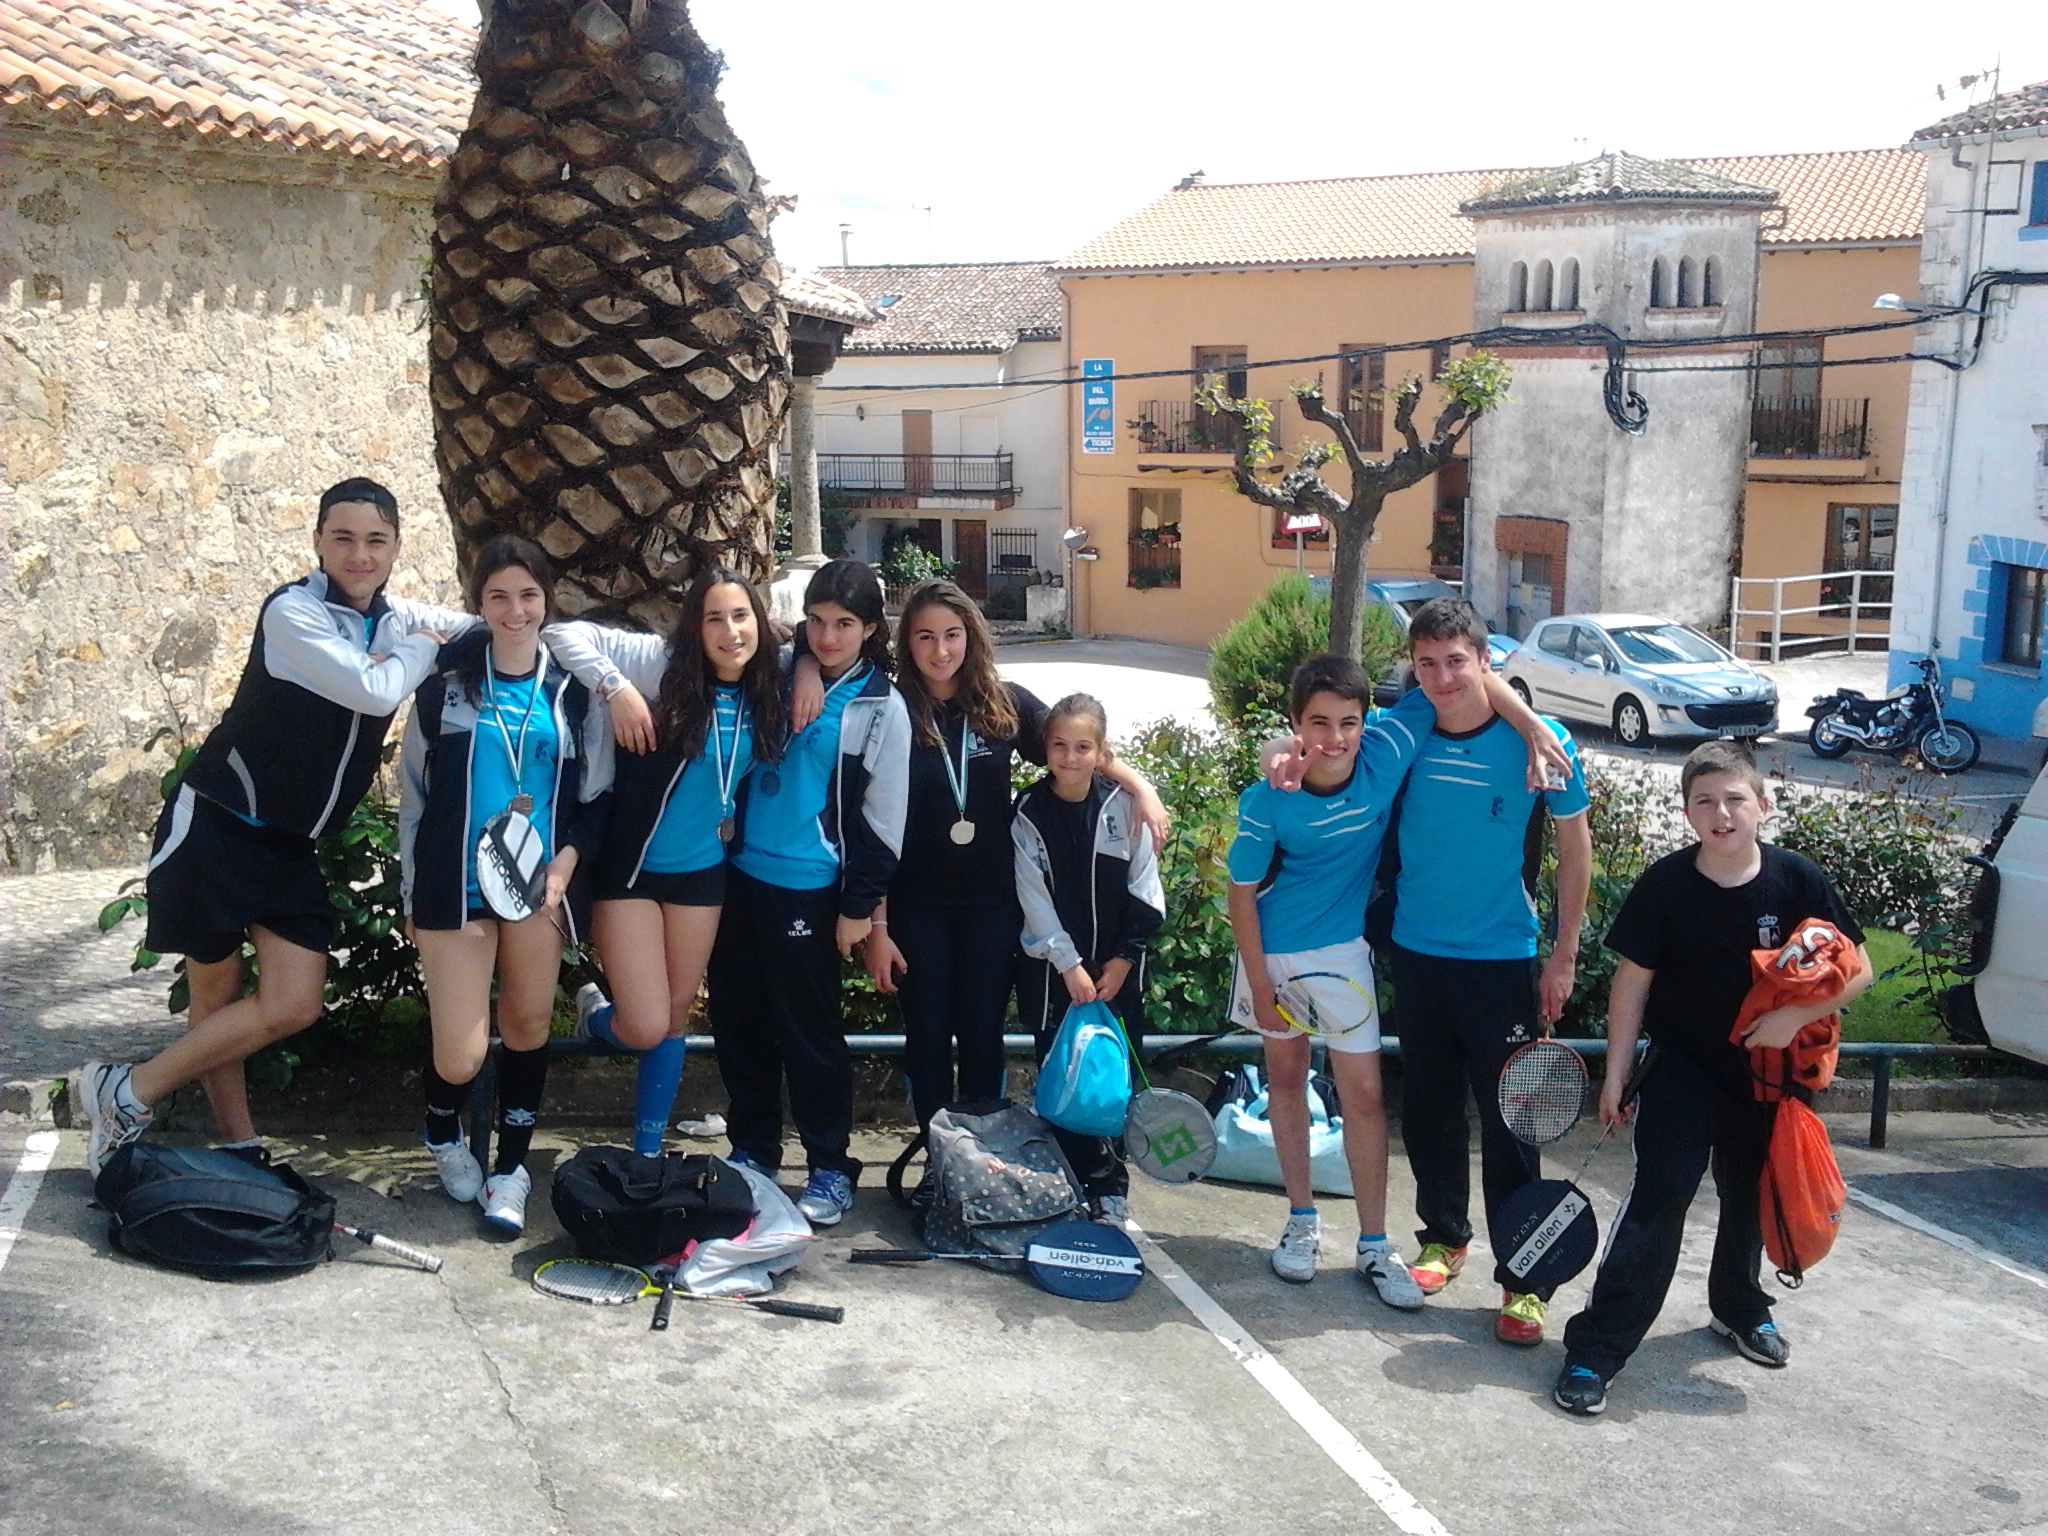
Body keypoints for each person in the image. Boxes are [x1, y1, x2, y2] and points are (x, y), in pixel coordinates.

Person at [79, 478, 485, 1172]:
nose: (360, 554)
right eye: (344, 538)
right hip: (217, 825)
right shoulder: (292, 613)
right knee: (216, 998)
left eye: (376, 540)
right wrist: (423, 646)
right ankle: (238, 1143)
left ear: (395, 548)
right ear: (319, 541)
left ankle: (127, 1089)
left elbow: (483, 629)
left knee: (294, 1003)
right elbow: (373, 687)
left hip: (289, 845)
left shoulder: (396, 618)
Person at [1553, 740, 1871, 1416]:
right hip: (1682, 1069)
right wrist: (1616, 1075)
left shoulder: (1798, 881)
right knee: (1659, 1199)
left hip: (1772, 1075)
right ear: (1688, 813)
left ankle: (1739, 1307)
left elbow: (1859, 970)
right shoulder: (1666, 885)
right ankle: (1596, 1350)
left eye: (1734, 798)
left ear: (1763, 804)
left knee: (1752, 1196)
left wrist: (1798, 1016)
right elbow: (1630, 983)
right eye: (1705, 801)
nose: (1721, 813)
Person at [1241, 653, 1565, 1302]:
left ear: (1369, 722)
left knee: (1364, 1097)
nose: (1333, 737)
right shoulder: (1270, 794)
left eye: (1348, 722)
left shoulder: (1388, 750)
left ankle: (1373, 1243)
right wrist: (1258, 984)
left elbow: (1465, 672)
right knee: (1285, 1081)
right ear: (1296, 724)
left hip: (1347, 954)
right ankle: (1301, 1223)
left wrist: (1531, 723)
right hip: (1271, 954)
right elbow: (1241, 893)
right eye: (1317, 724)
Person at [864, 580, 1170, 1134]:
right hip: (917, 906)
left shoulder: (1002, 703)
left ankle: (982, 1155)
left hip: (992, 905)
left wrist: (1140, 787)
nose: (940, 651)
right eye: (925, 636)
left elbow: (1076, 749)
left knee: (983, 1032)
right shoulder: (891, 710)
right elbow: (874, 824)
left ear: (971, 637)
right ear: (906, 642)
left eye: (952, 635)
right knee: (928, 1034)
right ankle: (939, 1161)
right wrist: (879, 924)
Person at [1382, 597, 1592, 1348]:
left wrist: (1564, 955)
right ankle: (1443, 1238)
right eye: (1427, 663)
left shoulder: (1540, 744)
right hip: (1416, 951)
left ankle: (1525, 1278)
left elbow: (1575, 853)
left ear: (1484, 662)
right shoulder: (1403, 729)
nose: (1442, 677)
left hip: (1504, 959)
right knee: (1431, 1107)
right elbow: (1322, 739)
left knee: (1511, 1124)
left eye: (1456, 662)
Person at [398, 537, 612, 1234]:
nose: (515, 610)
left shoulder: (574, 693)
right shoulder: (447, 689)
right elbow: (413, 798)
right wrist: (409, 891)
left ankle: (510, 1171)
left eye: (527, 595)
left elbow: (599, 798)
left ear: (545, 600)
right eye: (498, 596)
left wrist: (565, 865)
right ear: (480, 604)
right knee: (460, 1052)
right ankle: (439, 1130)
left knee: (525, 1027)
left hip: (535, 889)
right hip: (452, 888)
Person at [543, 568, 787, 1156]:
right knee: (644, 1024)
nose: (730, 631)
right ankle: (595, 1012)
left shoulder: (771, 679)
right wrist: (617, 688)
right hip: (631, 872)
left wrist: (801, 666)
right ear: (693, 627)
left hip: (703, 872)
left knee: (675, 1017)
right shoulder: (658, 663)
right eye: (714, 618)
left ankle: (647, 1152)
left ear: (758, 621)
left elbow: (829, 648)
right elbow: (559, 634)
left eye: (741, 616)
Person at [706, 559, 910, 1226]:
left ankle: (829, 1166)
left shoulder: (881, 706)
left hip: (810, 889)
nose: (827, 638)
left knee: (809, 1034)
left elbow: (884, 822)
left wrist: (857, 910)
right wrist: (797, 662)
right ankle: (754, 1151)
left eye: (844, 625)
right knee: (740, 1024)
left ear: (870, 629)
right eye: (817, 623)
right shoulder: (776, 667)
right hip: (739, 878)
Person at [1013, 693, 1165, 1223]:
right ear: (1045, 749)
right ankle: (1065, 1180)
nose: (1070, 756)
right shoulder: (1028, 813)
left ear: (1102, 752)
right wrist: (1068, 964)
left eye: (1083, 746)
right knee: (1062, 1080)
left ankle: (1109, 1187)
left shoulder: (1124, 807)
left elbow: (1146, 888)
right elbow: (1032, 897)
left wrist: (1123, 961)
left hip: (1117, 978)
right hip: (1057, 978)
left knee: (1109, 1083)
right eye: (1059, 745)